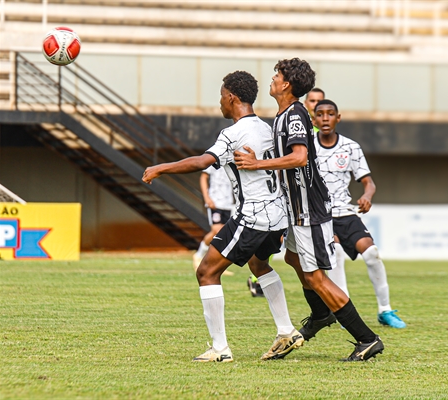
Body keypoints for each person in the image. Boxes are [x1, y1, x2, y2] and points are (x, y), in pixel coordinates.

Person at [143, 71, 304, 362]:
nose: (220, 102)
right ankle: (286, 331)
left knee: (206, 272)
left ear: (231, 97)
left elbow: (202, 162)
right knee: (258, 263)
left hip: (253, 214)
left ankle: (220, 349)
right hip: (278, 214)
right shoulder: (266, 128)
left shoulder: (233, 133)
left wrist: (160, 168)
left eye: (221, 96)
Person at [235, 58, 384, 362]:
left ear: (287, 84)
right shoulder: (284, 116)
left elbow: (300, 157)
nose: (272, 80)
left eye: (276, 75)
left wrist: (257, 164)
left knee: (316, 278)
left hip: (308, 211)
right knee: (292, 258)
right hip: (296, 210)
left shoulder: (294, 116)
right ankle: (320, 315)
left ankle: (367, 339)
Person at [313, 99, 406, 329]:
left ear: (338, 118)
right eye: (320, 114)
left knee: (372, 253)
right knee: (334, 256)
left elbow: (369, 182)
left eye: (330, 114)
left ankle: (385, 310)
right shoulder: (306, 148)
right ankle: (345, 313)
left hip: (345, 213)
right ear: (314, 119)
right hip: (321, 215)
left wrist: (367, 196)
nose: (325, 118)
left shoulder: (350, 147)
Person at [193, 165, 234, 275]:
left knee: (223, 234)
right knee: (217, 230)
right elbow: (203, 177)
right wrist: (207, 197)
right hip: (215, 201)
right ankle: (198, 255)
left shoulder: (232, 159)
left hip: (228, 203)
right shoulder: (215, 157)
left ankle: (215, 264)